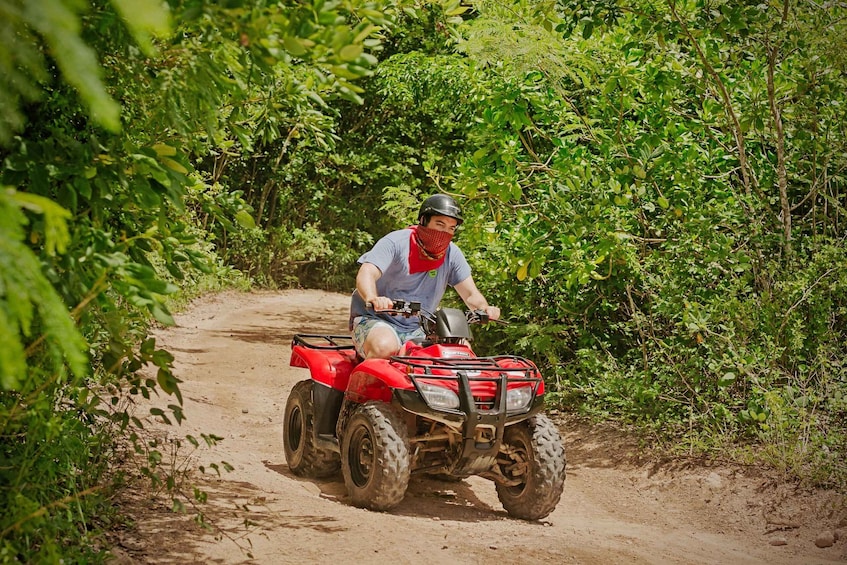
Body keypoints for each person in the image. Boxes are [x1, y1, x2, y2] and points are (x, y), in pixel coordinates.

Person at [350, 194, 501, 359]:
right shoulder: (395, 242)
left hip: (421, 327)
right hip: (375, 320)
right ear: (423, 221)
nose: (444, 233)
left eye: (451, 228)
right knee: (384, 347)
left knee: (461, 352)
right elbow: (367, 272)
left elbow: (471, 294)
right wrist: (373, 298)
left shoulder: (452, 254)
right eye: (440, 224)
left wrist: (485, 308)